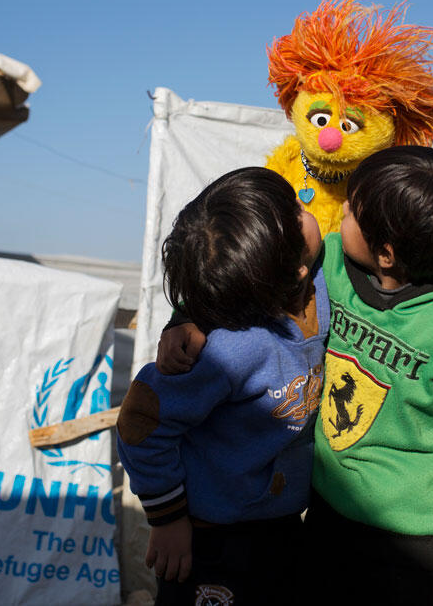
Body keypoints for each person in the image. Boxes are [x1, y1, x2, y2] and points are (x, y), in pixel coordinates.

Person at [160, 147, 433, 605]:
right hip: (327, 512)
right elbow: (244, 269)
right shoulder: (330, 266)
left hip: (413, 543)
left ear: (386, 254)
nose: (340, 211)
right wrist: (185, 317)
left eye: (353, 211)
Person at [116, 167, 326, 605]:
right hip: (208, 542)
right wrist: (167, 519)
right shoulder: (225, 351)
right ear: (295, 273)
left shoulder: (319, 283)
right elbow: (141, 422)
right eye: (297, 211)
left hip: (282, 526)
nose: (309, 213)